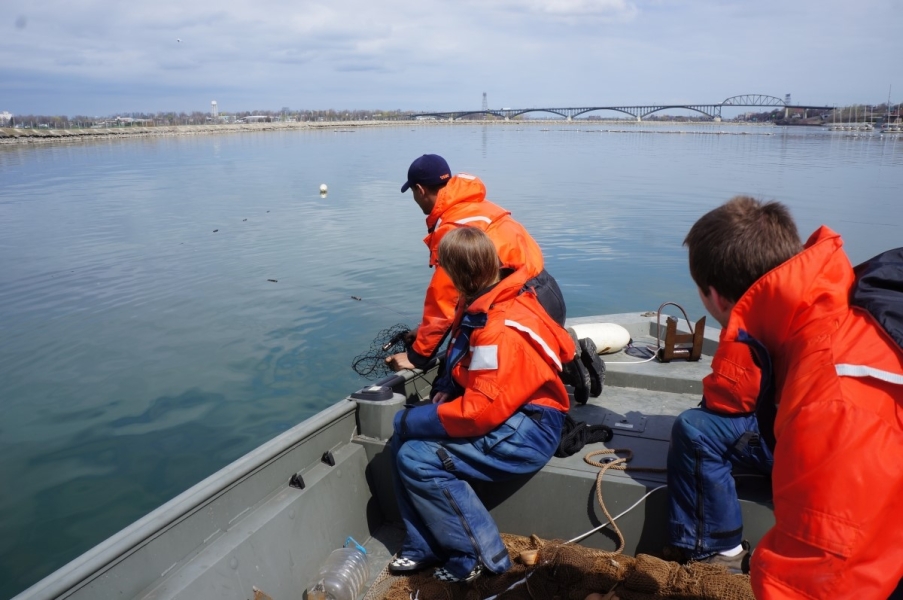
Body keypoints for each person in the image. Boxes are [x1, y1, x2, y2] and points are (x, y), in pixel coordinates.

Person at [666, 196, 903, 598]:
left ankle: (714, 553)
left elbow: (823, 581)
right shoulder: (827, 301)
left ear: (715, 298)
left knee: (695, 430)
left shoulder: (833, 397)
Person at [388, 226, 575, 582]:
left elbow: (477, 414)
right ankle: (422, 544)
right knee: (402, 443)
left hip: (529, 428)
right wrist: (445, 385)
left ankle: (478, 557)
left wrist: (408, 421)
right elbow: (461, 352)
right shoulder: (482, 299)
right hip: (510, 414)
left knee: (416, 455)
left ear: (458, 274)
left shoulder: (498, 327)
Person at [385, 153, 603, 402]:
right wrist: (423, 330)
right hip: (549, 295)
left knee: (468, 368)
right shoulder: (480, 207)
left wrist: (416, 357)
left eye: (413, 193)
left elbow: (445, 300)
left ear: (420, 190)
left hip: (522, 307)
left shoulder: (453, 229)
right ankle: (566, 351)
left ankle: (560, 357)